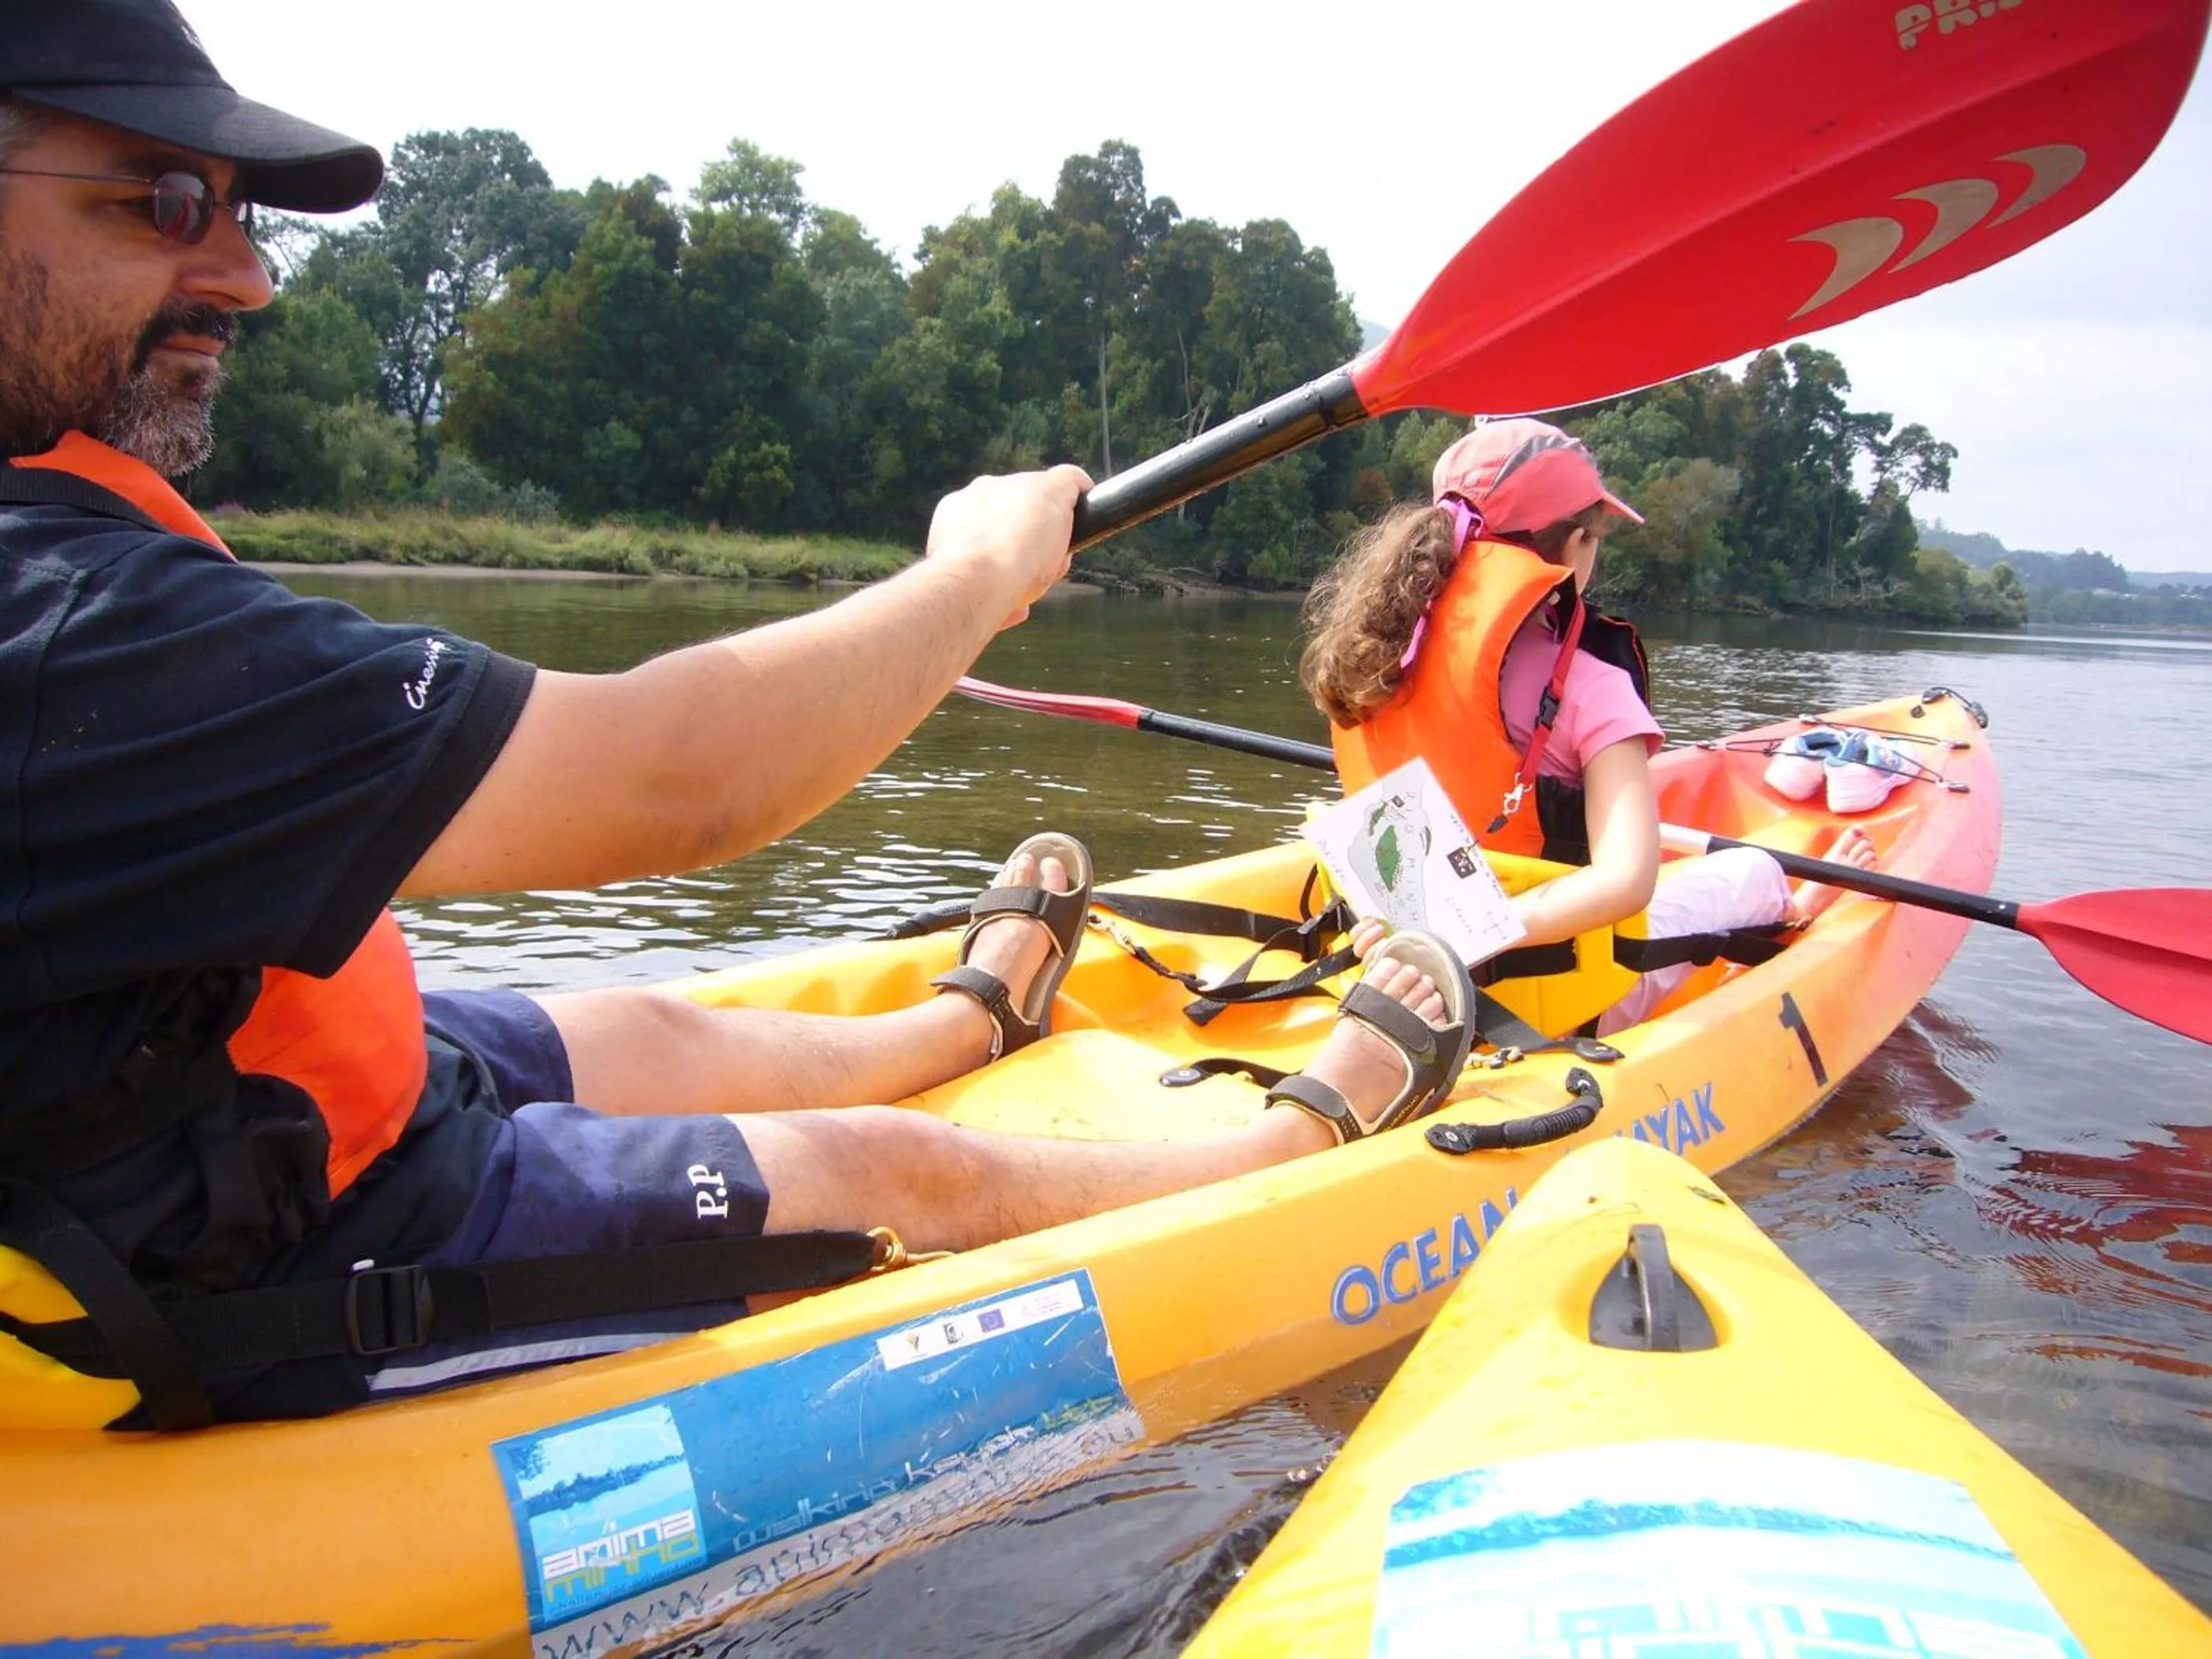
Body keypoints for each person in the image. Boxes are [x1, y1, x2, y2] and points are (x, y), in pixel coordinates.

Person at [0, 0, 1477, 1426]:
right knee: (900, 1172)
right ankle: (1294, 1137)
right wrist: (972, 573)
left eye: (237, 210)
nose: (249, 274)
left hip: (223, 1097)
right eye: (167, 198)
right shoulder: (65, 624)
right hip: (273, 1252)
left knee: (644, 1013)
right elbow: (684, 778)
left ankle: (969, 1023)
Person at [1301, 417, 1878, 1035]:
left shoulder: (1378, 659)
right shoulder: (1591, 686)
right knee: (1755, 870)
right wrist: (1471, 935)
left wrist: (1440, 937)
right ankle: (1789, 916)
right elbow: (1627, 882)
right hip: (1555, 999)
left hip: (1410, 975)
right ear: (1578, 543)